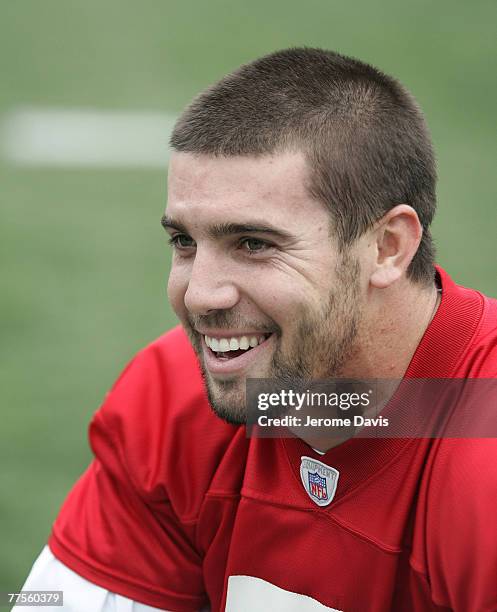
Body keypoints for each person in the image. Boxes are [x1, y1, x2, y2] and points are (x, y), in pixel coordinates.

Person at [17, 48, 497, 611]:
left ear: (386, 247)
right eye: (185, 242)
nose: (199, 294)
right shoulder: (175, 401)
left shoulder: (481, 468)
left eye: (254, 244)